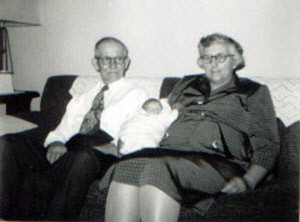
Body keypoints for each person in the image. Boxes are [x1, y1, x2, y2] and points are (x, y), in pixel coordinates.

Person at [104, 33, 280, 222]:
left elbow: (267, 144)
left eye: (220, 57)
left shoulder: (253, 92)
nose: (213, 63)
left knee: (157, 169)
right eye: (207, 57)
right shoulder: (186, 84)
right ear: (201, 62)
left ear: (235, 60)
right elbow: (159, 116)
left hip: (220, 162)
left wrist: (248, 181)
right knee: (126, 166)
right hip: (170, 153)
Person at [0, 37, 148, 220]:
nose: (112, 63)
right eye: (105, 58)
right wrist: (55, 142)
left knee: (82, 157)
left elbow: (138, 133)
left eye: (118, 58)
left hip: (100, 151)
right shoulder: (82, 97)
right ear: (95, 63)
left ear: (126, 62)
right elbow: (62, 129)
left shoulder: (137, 95)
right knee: (9, 142)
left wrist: (109, 147)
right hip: (71, 147)